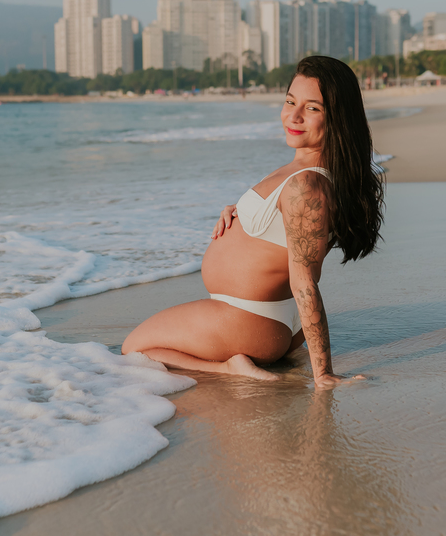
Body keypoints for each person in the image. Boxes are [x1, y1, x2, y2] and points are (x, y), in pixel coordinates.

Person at [122, 56, 384, 386]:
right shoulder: (304, 173)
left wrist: (324, 374)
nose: (294, 115)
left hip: (249, 320)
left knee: (134, 349)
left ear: (337, 118)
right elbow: (280, 231)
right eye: (290, 101)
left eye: (312, 108)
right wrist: (243, 214)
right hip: (264, 318)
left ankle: (228, 367)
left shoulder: (306, 186)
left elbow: (305, 280)